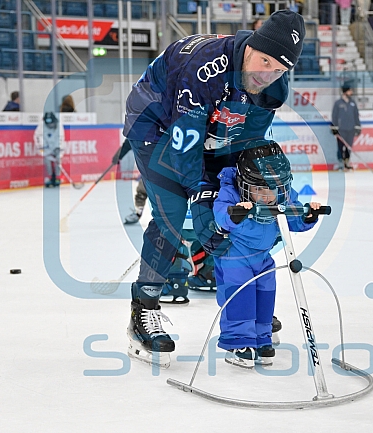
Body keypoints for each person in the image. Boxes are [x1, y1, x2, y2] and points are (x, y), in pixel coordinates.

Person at [121, 10, 305, 368]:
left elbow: (247, 141)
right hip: (155, 122)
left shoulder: (274, 87)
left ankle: (219, 275)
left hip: (209, 125)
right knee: (174, 210)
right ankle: (142, 308)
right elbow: (184, 149)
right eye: (263, 60)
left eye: (278, 69)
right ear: (251, 43)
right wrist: (202, 196)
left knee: (234, 197)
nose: (266, 74)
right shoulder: (207, 68)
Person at [213, 141, 320, 368]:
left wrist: (308, 216)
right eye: (259, 190)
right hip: (235, 258)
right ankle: (239, 343)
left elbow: (293, 218)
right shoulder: (231, 192)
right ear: (244, 184)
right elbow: (220, 213)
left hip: (263, 259)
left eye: (272, 189)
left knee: (265, 298)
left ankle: (262, 339)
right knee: (240, 298)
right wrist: (235, 215)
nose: (266, 196)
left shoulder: (282, 196)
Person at [331, 83, 361, 170]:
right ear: (345, 91)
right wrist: (334, 127)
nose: (351, 92)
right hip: (341, 129)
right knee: (340, 147)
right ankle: (340, 163)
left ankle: (347, 163)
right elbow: (334, 116)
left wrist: (358, 126)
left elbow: (356, 115)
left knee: (349, 147)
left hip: (351, 129)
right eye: (350, 90)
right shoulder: (338, 103)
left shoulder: (352, 103)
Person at [34, 112, 65, 187]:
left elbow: (61, 137)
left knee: (58, 159)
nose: (50, 125)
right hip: (46, 147)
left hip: (56, 147)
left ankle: (58, 177)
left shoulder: (59, 126)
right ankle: (49, 177)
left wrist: (58, 147)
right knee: (47, 160)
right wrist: (42, 146)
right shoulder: (41, 126)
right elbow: (37, 137)